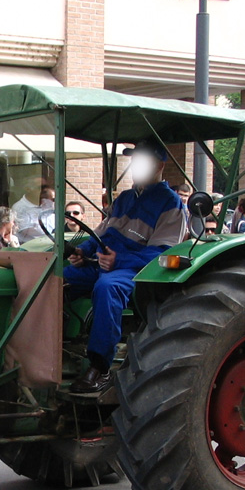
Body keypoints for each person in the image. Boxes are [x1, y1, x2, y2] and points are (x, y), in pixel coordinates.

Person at [64, 139, 187, 393]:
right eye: (135, 161)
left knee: (107, 287)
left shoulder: (171, 204)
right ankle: (54, 347)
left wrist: (119, 261)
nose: (136, 166)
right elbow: (103, 234)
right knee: (58, 279)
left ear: (160, 165)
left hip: (135, 271)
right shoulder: (125, 198)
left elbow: (161, 254)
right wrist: (82, 251)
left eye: (143, 162)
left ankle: (100, 366)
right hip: (104, 263)